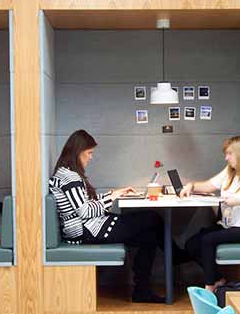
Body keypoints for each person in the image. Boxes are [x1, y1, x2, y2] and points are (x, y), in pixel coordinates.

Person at [49, 129, 167, 304]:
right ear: (78, 152)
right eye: (89, 153)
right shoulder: (70, 177)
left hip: (89, 227)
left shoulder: (65, 173)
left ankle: (142, 290)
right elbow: (84, 211)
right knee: (152, 218)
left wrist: (113, 194)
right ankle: (175, 257)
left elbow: (84, 204)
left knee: (149, 235)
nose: (91, 157)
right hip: (86, 231)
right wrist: (112, 198)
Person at [178, 135, 240, 292]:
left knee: (208, 240)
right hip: (230, 226)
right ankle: (217, 279)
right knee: (191, 244)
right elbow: (208, 186)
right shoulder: (230, 172)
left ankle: (209, 286)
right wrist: (191, 185)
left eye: (229, 153)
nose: (226, 158)